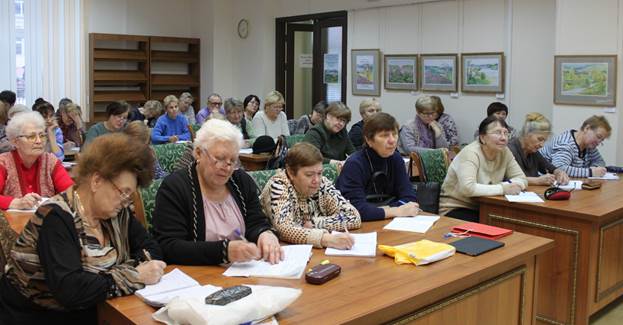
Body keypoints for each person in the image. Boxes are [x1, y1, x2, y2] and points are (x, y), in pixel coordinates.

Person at [0, 133, 166, 324]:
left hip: (94, 309)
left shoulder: (116, 213)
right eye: (123, 192)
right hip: (37, 316)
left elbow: (152, 249)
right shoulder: (56, 217)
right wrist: (135, 275)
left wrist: (111, 277)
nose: (125, 202)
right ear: (96, 181)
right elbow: (71, 290)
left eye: (129, 196)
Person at [152, 119, 283, 265]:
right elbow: (169, 247)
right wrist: (224, 251)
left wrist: (265, 234)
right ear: (198, 153)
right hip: (197, 278)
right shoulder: (175, 187)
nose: (227, 168)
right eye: (219, 159)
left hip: (244, 272)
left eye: (232, 160)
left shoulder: (240, 180)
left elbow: (256, 221)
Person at [260, 143, 361, 249]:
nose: (316, 180)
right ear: (290, 173)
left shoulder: (322, 183)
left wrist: (314, 223)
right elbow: (284, 229)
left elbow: (354, 217)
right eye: (309, 175)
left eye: (320, 173)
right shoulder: (278, 185)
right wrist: (325, 239)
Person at [440, 116, 527, 222]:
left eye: (506, 133)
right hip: (457, 208)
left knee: (516, 220)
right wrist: (503, 188)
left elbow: (522, 178)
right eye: (498, 132)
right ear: (482, 138)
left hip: (486, 206)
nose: (503, 138)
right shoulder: (471, 153)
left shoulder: (505, 151)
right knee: (499, 224)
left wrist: (512, 185)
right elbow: (468, 188)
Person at [336, 113, 420, 221]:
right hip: (362, 227)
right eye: (384, 136)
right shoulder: (355, 164)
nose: (392, 140)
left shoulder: (396, 159)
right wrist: (396, 210)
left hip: (392, 221)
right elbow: (356, 210)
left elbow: (410, 198)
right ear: (369, 140)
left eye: (394, 134)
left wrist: (378, 210)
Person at [0, 111, 73, 210]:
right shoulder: (3, 163)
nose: (39, 141)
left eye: (42, 136)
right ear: (15, 141)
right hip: (10, 223)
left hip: (46, 222)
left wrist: (52, 202)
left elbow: (70, 193)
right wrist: (17, 203)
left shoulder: (51, 161)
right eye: (31, 137)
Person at [539, 115, 610, 178]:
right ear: (587, 128)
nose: (598, 142)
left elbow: (600, 162)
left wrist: (594, 169)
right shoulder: (566, 143)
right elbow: (559, 168)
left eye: (601, 140)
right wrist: (590, 172)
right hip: (541, 182)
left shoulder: (589, 145)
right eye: (598, 136)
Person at [508, 113, 570, 186]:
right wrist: (537, 181)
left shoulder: (532, 152)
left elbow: (551, 168)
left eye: (544, 141)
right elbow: (509, 179)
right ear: (527, 134)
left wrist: (559, 173)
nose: (542, 145)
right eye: (540, 139)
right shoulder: (510, 149)